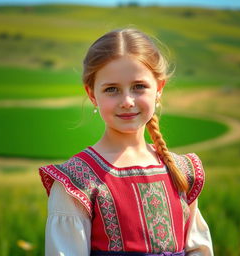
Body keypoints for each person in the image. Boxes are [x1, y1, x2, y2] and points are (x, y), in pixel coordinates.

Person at [39, 28, 213, 256]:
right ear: (92, 95)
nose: (127, 101)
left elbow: (199, 250)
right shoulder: (76, 182)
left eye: (139, 86)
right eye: (112, 89)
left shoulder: (181, 171)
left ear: (159, 89)